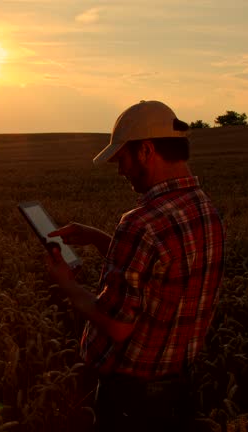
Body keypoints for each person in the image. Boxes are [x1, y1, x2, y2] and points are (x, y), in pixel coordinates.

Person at [45, 100, 225, 431]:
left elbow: (117, 326)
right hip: (179, 388)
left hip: (131, 399)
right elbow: (162, 272)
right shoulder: (205, 209)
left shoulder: (141, 223)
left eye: (122, 158)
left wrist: (67, 285)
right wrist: (100, 238)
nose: (120, 169)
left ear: (145, 151)